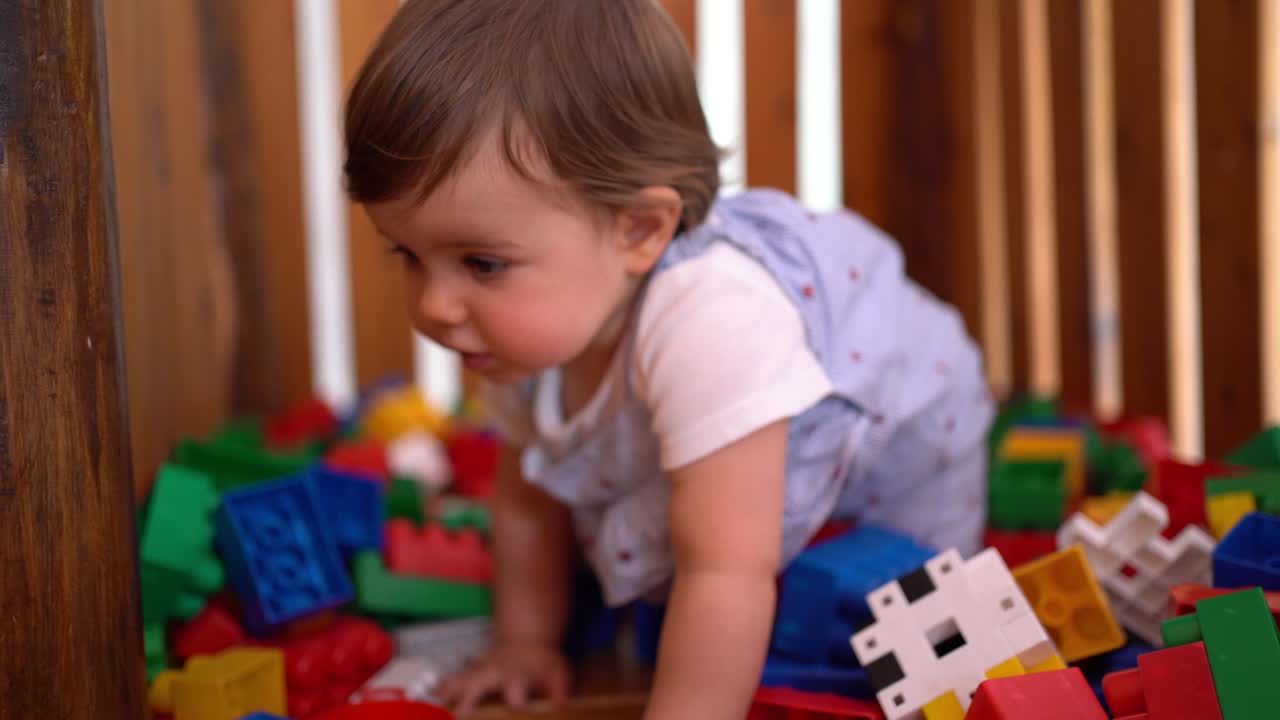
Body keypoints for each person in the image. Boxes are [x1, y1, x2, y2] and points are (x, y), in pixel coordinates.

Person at [342, 1, 994, 717]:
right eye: (408, 254)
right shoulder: (520, 335)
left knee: (913, 631)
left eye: (482, 263)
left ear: (639, 231)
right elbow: (526, 499)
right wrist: (525, 642)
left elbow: (724, 570)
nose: (436, 305)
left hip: (906, 441)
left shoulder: (711, 319)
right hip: (732, 454)